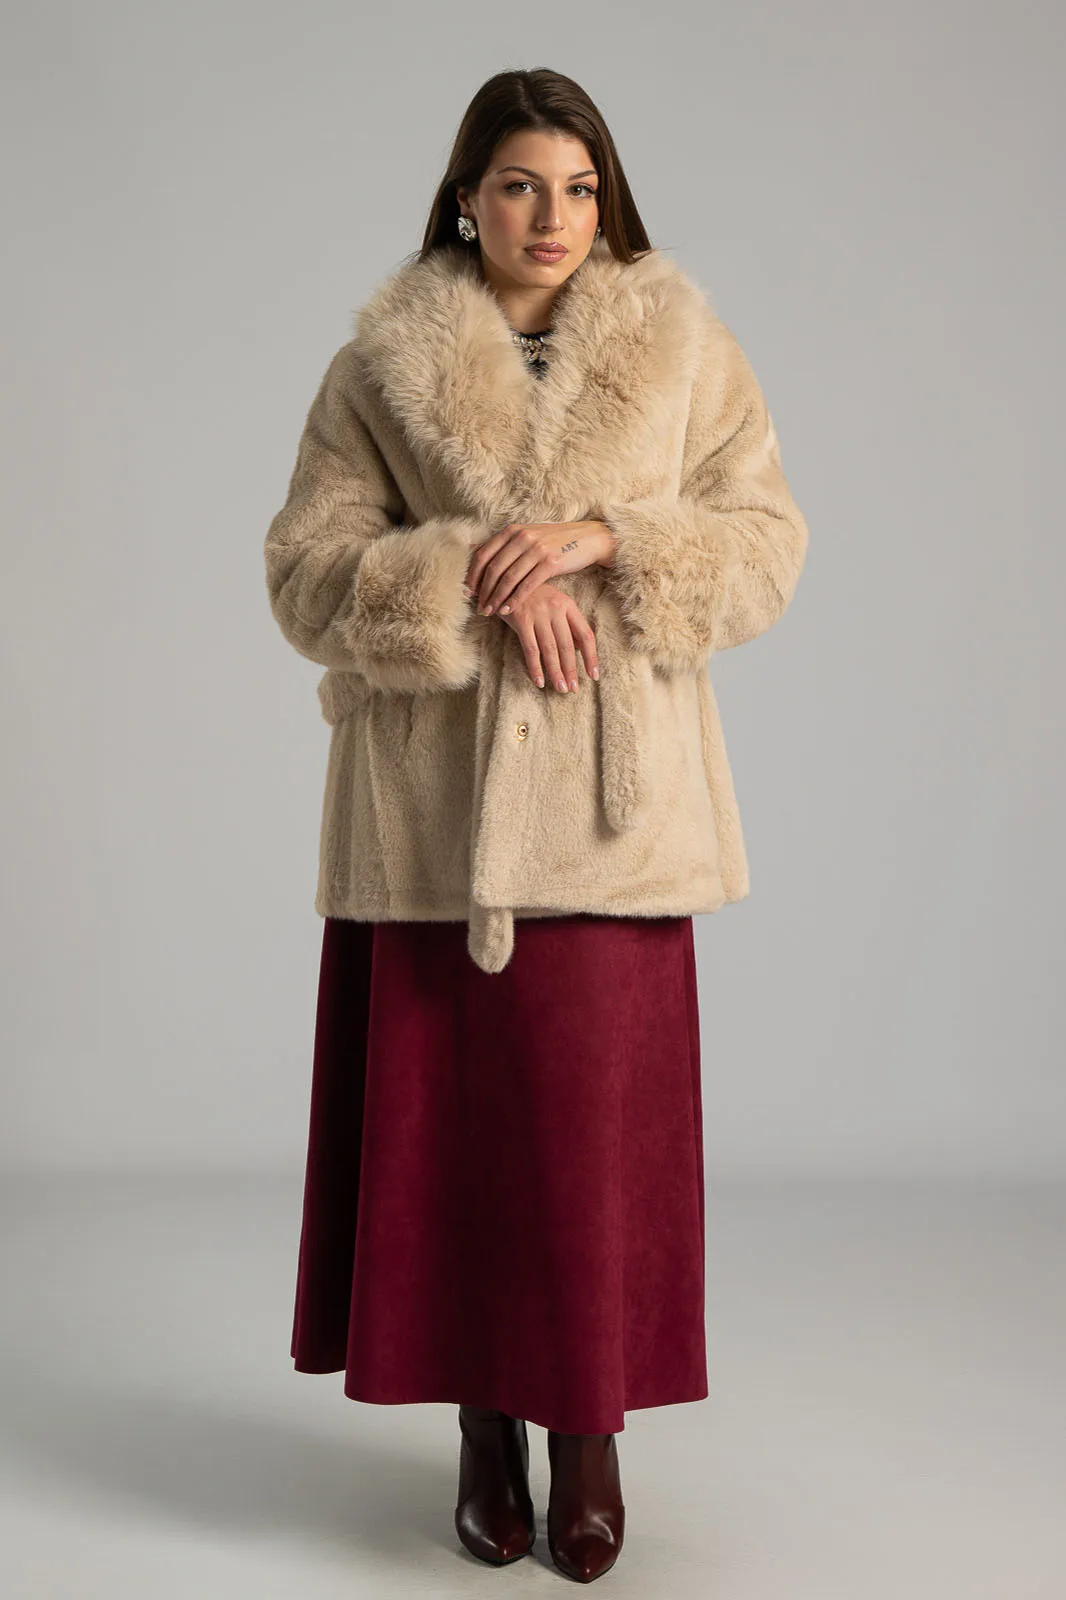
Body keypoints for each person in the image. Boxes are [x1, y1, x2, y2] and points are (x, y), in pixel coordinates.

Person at [264, 66, 808, 1585]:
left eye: (577, 188)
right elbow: (305, 572)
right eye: (518, 185)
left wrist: (606, 542)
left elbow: (766, 548)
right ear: (466, 201)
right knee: (452, 1145)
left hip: (611, 821)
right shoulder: (378, 369)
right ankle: (481, 1435)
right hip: (431, 822)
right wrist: (474, 575)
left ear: (606, 201)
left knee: (586, 1152)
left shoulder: (684, 351)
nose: (551, 217)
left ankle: (589, 1442)